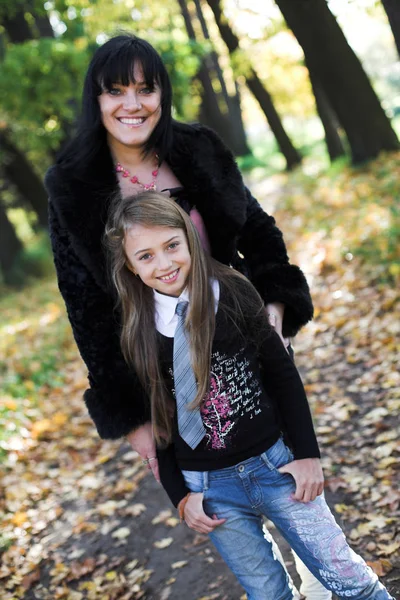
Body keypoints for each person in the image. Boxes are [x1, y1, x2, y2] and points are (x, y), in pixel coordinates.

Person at [45, 33, 330, 597]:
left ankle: (329, 579)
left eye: (146, 88)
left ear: (163, 94)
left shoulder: (197, 149)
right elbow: (85, 307)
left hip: (243, 349)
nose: (133, 104)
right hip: (163, 375)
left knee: (296, 486)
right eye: (116, 91)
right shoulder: (73, 185)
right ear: (96, 100)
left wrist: (275, 303)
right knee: (233, 523)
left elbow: (259, 230)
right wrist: (130, 416)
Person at [104, 190, 393, 600]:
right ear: (130, 267)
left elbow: (281, 375)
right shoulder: (137, 332)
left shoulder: (232, 291)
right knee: (267, 593)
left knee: (345, 574)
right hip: (208, 487)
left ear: (189, 238)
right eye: (146, 256)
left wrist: (307, 454)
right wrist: (180, 496)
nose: (164, 263)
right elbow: (162, 418)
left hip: (275, 465)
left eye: (172, 246)